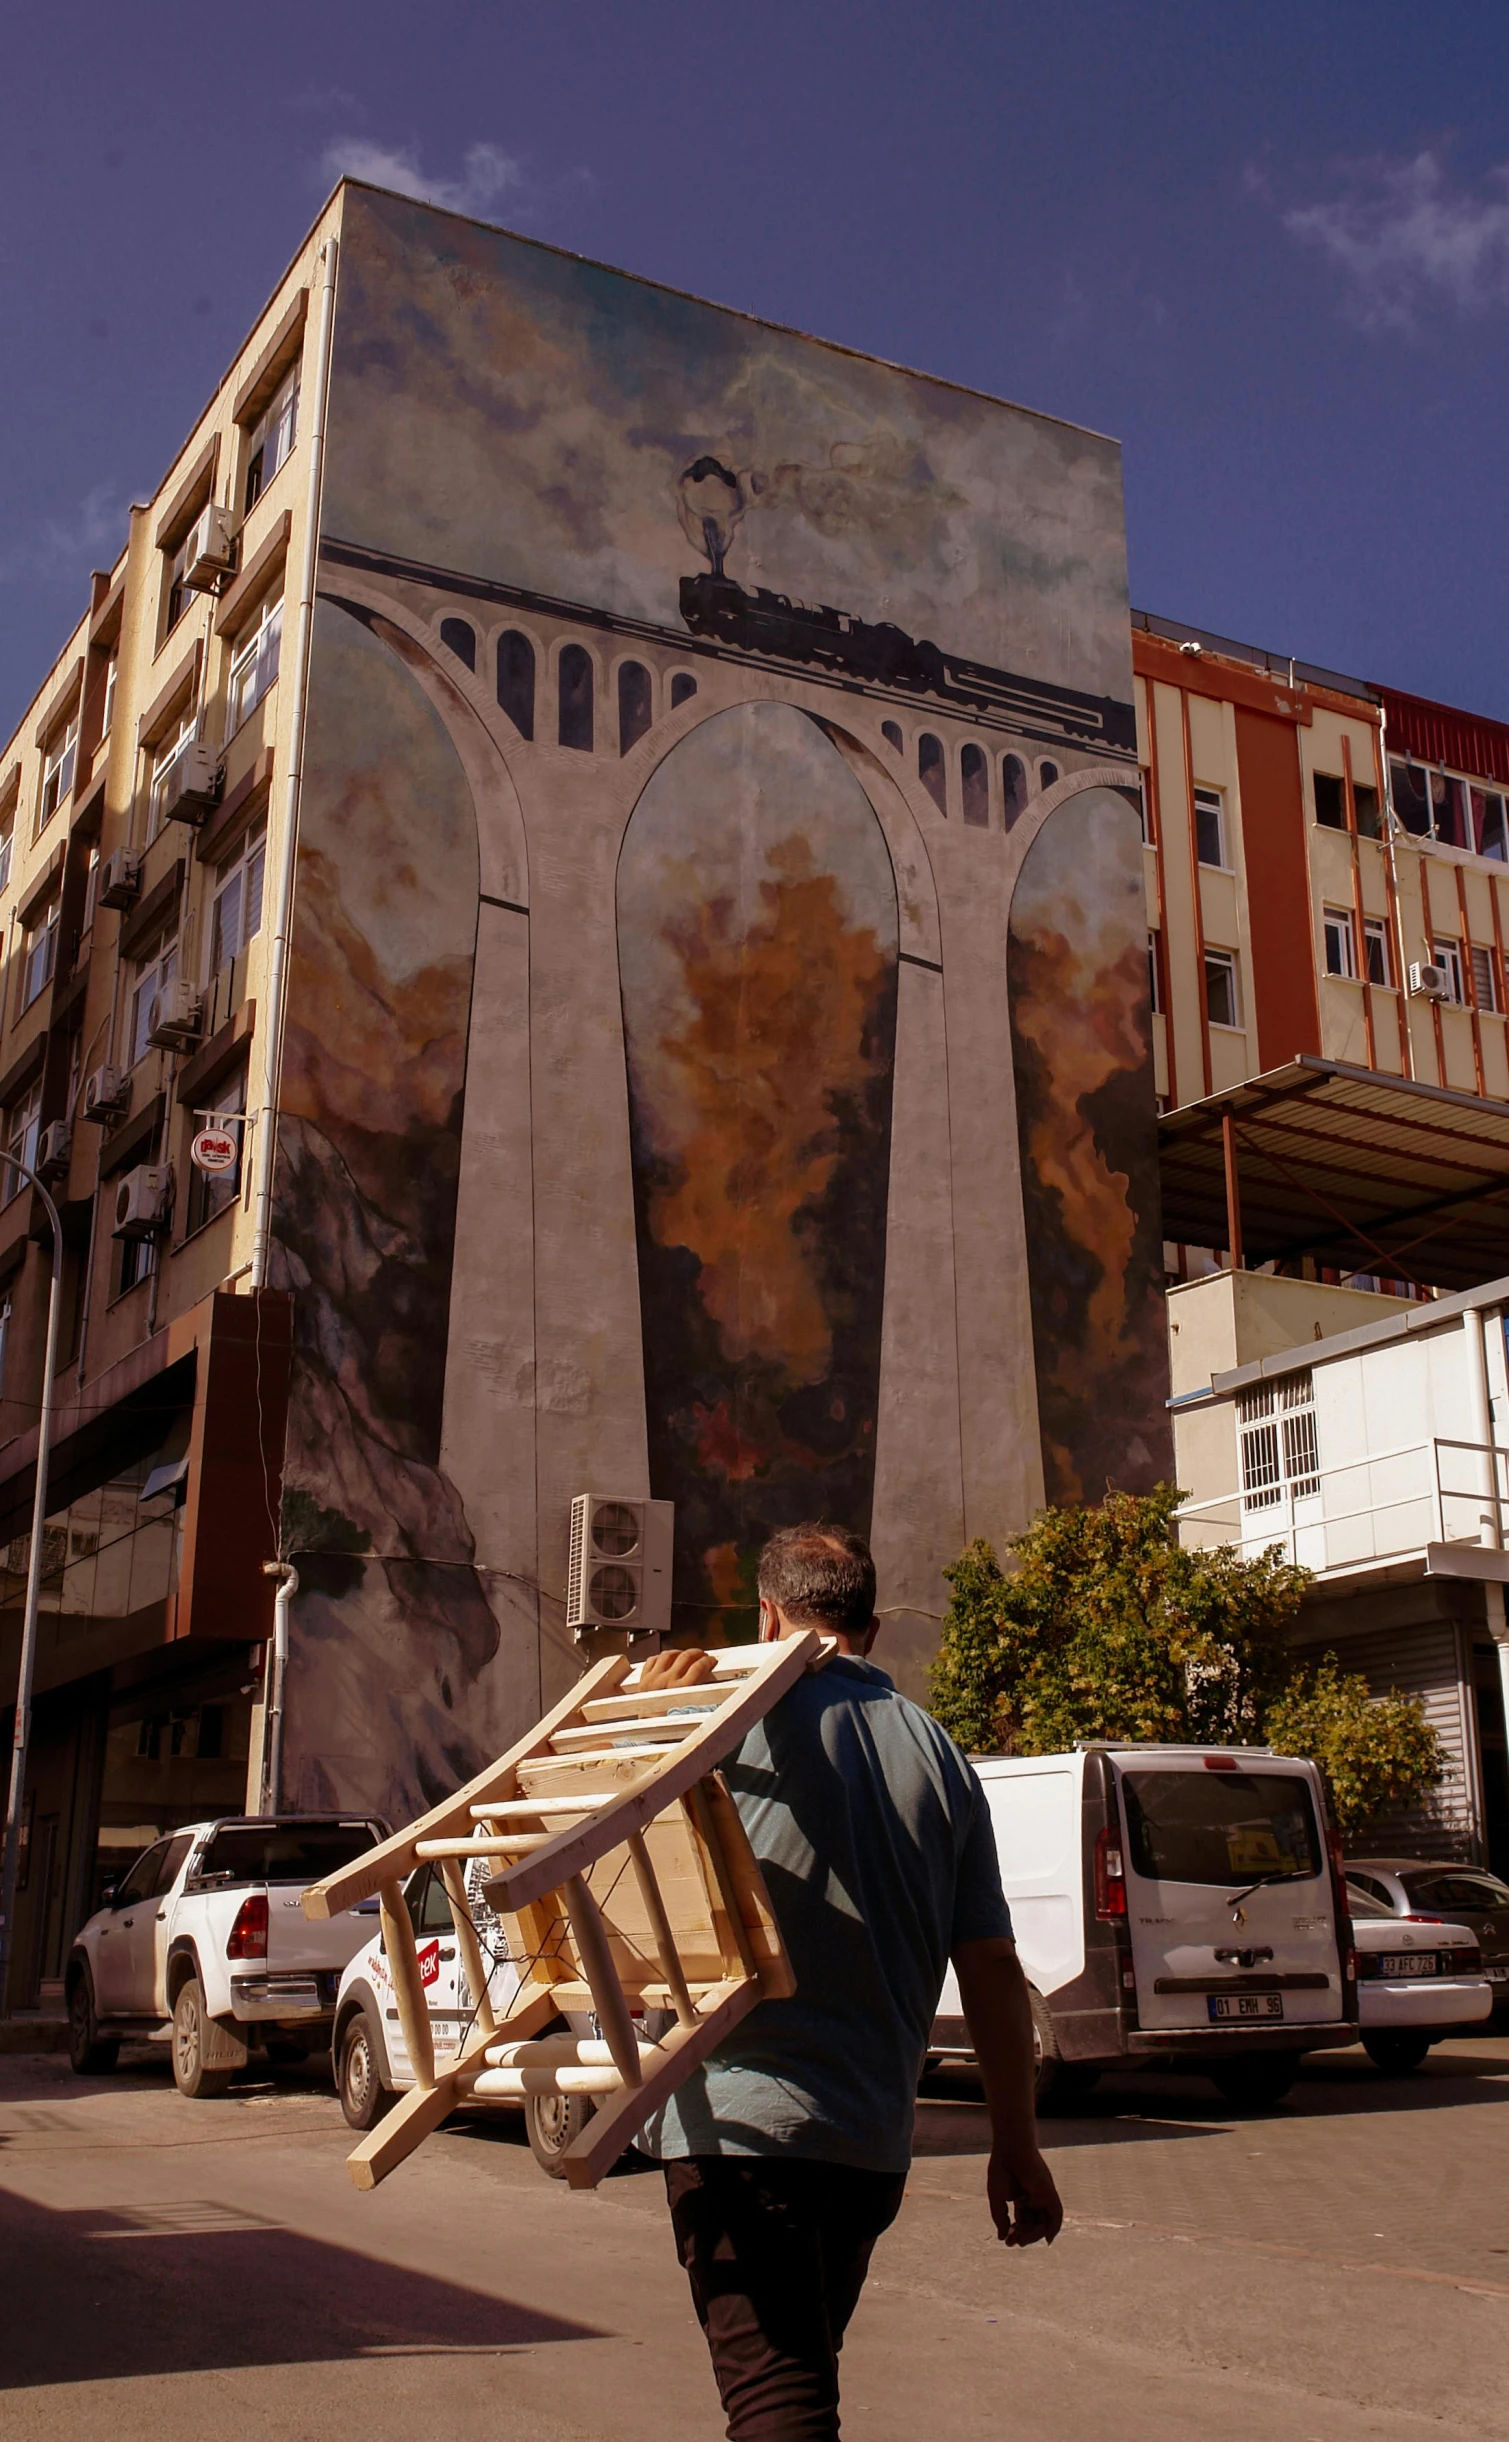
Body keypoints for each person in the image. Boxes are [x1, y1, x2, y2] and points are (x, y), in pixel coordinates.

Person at [635, 1521, 1062, 2442]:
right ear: (871, 1625)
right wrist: (1015, 2146)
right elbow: (989, 1962)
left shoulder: (719, 1713)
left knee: (781, 2408)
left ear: (767, 1611)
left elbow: (607, 1868)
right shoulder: (940, 1754)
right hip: (868, 2146)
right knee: (796, 2380)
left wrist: (651, 1728)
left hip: (740, 2130)